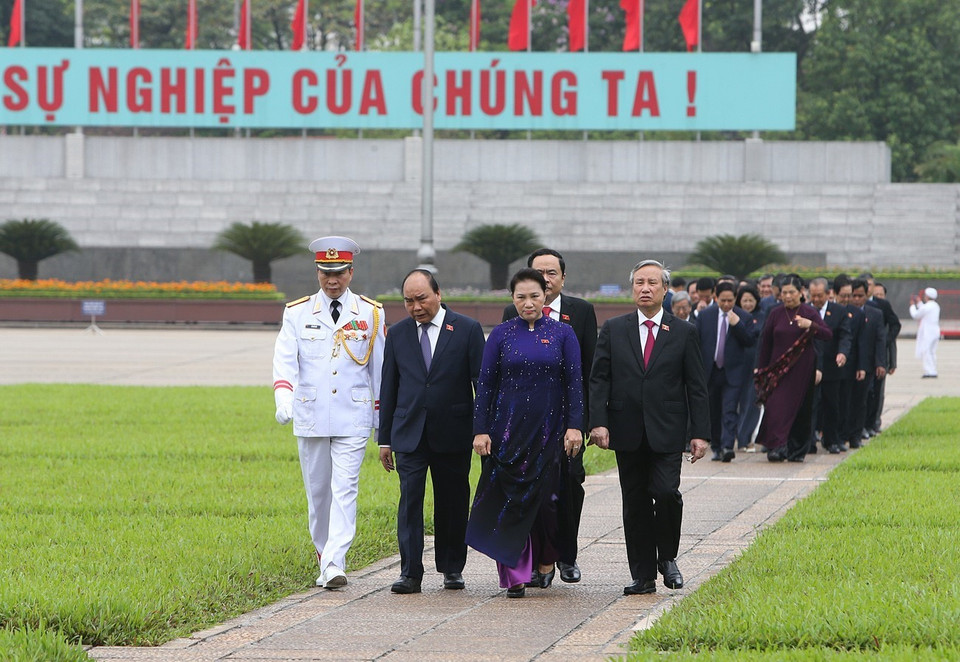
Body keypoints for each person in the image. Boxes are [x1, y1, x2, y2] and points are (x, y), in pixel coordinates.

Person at [589, 259, 710, 596]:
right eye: (639, 283)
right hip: (626, 428)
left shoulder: (683, 332)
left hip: (668, 429)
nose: (645, 288)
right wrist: (598, 422)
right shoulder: (614, 329)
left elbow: (696, 386)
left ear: (665, 289)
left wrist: (700, 433)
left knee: (667, 492)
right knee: (636, 502)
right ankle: (642, 575)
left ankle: (667, 556)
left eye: (652, 283)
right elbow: (599, 380)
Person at [273, 236, 386, 589]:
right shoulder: (297, 312)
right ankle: (324, 555)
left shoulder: (370, 312)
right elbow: (285, 360)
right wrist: (283, 397)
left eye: (338, 273)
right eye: (326, 273)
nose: (332, 280)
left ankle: (335, 562)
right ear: (317, 272)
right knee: (319, 494)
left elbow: (380, 371)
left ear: (351, 272)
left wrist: (382, 422)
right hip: (311, 413)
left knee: (345, 488)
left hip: (353, 415)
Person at [467, 268, 584, 598]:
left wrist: (575, 426)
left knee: (547, 503)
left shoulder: (563, 334)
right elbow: (485, 385)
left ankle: (546, 560)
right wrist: (481, 431)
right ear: (512, 299)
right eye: (521, 297)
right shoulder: (501, 335)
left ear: (545, 295)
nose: (528, 303)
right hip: (506, 435)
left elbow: (574, 383)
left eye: (534, 296)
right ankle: (515, 576)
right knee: (509, 503)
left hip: (550, 433)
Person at [378, 269, 486, 594]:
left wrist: (482, 430)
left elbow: (481, 385)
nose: (416, 307)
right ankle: (410, 572)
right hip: (409, 432)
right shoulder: (398, 334)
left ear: (438, 294)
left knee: (453, 501)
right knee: (410, 501)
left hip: (453, 431)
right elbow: (389, 387)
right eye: (408, 301)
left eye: (422, 298)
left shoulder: (466, 329)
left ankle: (452, 568)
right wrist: (385, 439)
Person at [500, 248, 597, 584]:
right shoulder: (510, 314)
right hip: (524, 424)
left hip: (566, 423)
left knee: (569, 486)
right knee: (529, 491)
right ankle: (537, 559)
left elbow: (588, 373)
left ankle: (566, 556)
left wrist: (582, 423)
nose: (545, 279)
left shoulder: (580, 312)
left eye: (551, 273)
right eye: (538, 272)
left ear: (563, 278)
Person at [754, 275, 831, 463]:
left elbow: (827, 334)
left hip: (802, 369)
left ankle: (797, 450)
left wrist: (810, 325)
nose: (787, 296)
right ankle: (777, 447)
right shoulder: (775, 313)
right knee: (775, 407)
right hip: (778, 370)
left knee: (800, 409)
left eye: (791, 292)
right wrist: (761, 368)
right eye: (784, 293)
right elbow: (766, 342)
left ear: (801, 292)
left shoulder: (810, 312)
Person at [696, 281, 758, 462]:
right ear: (716, 298)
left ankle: (727, 446)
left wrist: (737, 325)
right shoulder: (705, 316)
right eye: (723, 300)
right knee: (713, 411)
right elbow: (696, 342)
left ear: (735, 298)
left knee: (730, 410)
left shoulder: (744, 317)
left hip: (733, 372)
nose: (726, 304)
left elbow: (750, 341)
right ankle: (717, 447)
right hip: (711, 371)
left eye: (730, 300)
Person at [807, 277, 852, 455]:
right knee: (810, 406)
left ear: (828, 293)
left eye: (819, 295)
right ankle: (809, 441)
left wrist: (842, 353)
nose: (816, 299)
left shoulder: (839, 311)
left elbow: (845, 335)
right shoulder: (805, 311)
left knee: (831, 405)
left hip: (832, 367)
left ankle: (831, 440)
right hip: (810, 367)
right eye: (813, 296)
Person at [846, 279, 886, 449]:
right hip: (847, 363)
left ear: (867, 295)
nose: (856, 300)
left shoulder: (875, 314)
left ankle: (856, 434)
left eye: (860, 296)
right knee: (845, 401)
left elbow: (880, 339)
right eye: (853, 296)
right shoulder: (843, 312)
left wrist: (880, 362)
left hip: (866, 363)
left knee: (861, 401)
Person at [861, 272, 900, 436]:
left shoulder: (882, 305)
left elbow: (895, 324)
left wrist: (885, 341)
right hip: (861, 354)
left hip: (878, 354)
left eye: (869, 284)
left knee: (876, 392)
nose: (867, 288)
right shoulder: (854, 304)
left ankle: (872, 423)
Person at [734, 284, 764, 451]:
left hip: (755, 364)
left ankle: (745, 439)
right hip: (738, 363)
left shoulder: (762, 316)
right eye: (744, 300)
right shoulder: (735, 315)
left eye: (750, 300)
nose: (747, 304)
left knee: (751, 402)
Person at [910, 287, 941, 378]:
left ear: (927, 296)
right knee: (932, 351)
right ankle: (933, 369)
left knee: (926, 350)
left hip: (928, 332)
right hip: (935, 330)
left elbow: (916, 315)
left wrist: (912, 306)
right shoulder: (935, 305)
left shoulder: (927, 307)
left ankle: (929, 371)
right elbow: (923, 309)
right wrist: (919, 303)